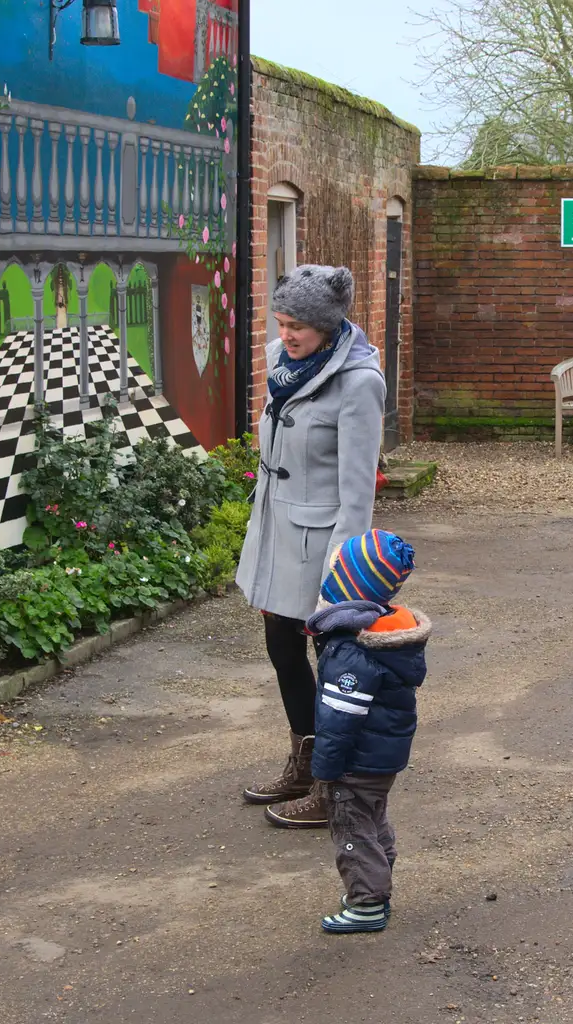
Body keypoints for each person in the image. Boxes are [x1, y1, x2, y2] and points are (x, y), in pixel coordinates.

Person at [235, 265, 386, 828]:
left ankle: (333, 785)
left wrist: (342, 571)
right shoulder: (282, 360)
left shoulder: (359, 383)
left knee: (333, 663)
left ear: (326, 325)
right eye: (281, 321)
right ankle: (304, 762)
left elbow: (357, 491)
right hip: (277, 528)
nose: (287, 333)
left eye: (298, 324)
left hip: (320, 543)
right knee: (280, 647)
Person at [305, 529, 428, 934]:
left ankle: (367, 902)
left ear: (348, 586)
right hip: (379, 760)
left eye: (337, 571)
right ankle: (377, 877)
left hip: (356, 762)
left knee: (352, 830)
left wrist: (323, 769)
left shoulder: (352, 651)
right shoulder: (382, 636)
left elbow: (341, 719)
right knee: (373, 820)